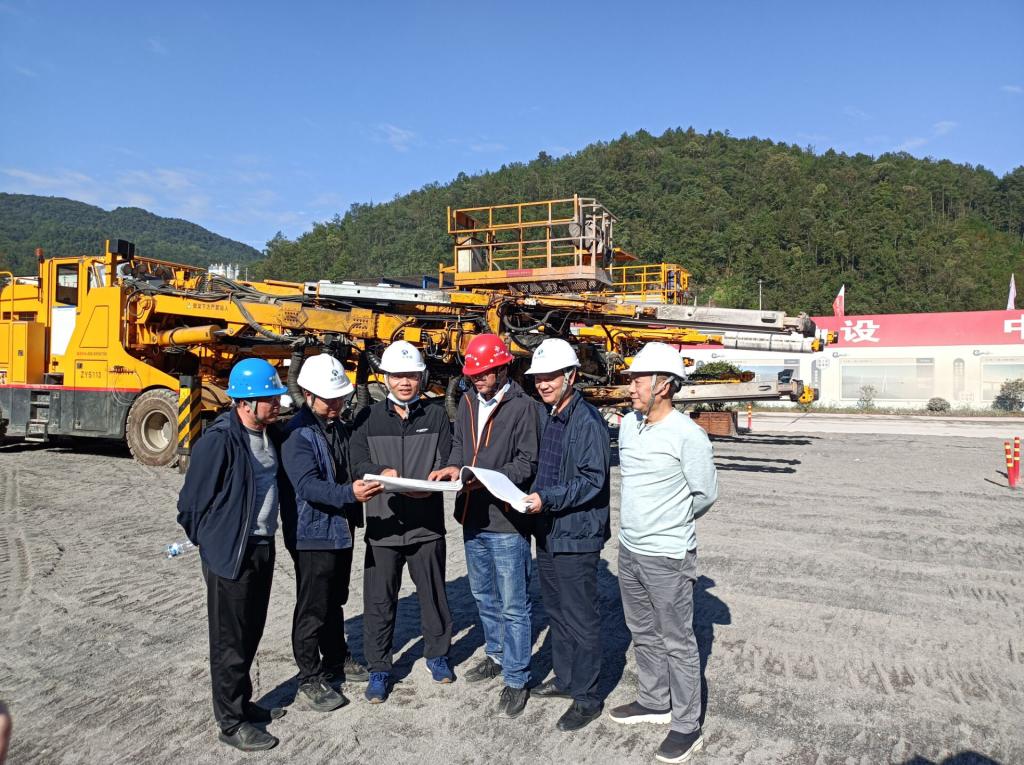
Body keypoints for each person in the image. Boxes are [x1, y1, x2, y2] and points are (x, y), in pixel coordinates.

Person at [608, 342, 718, 764]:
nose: (631, 387)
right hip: (630, 549)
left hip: (668, 556)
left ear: (665, 385)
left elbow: (705, 494)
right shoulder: (629, 426)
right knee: (641, 630)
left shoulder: (688, 435)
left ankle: (687, 726)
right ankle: (654, 701)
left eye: (639, 380)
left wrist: (670, 522)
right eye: (632, 379)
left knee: (678, 640)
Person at [176, 358, 290, 752]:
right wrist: (212, 544)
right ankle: (230, 722)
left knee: (250, 631)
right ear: (245, 403)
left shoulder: (268, 435)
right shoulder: (219, 441)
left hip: (261, 546)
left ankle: (242, 703)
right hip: (231, 554)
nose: (276, 404)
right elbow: (191, 504)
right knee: (229, 640)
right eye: (269, 398)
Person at [428, 333, 539, 719]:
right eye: (473, 373)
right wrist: (453, 467)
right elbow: (460, 447)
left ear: (503, 368)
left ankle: (517, 677)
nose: (477, 378)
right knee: (483, 595)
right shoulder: (468, 402)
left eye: (485, 372)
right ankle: (496, 654)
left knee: (514, 604)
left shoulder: (524, 408)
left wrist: (486, 478)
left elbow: (527, 462)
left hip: (506, 520)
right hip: (472, 515)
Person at [349, 341, 454, 703]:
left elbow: (447, 459)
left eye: (411, 375)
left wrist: (441, 476)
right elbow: (356, 461)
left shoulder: (435, 416)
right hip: (383, 526)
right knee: (379, 602)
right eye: (397, 376)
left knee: (433, 596)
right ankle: (379, 667)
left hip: (427, 525)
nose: (404, 382)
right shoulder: (368, 418)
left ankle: (438, 655)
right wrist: (381, 471)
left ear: (421, 377)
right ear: (386, 378)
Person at [281, 354, 382, 712]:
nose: (337, 404)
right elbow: (307, 486)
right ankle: (309, 676)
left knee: (335, 598)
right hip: (311, 533)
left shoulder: (336, 426)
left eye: (340, 397)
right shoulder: (297, 435)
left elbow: (349, 467)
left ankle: (337, 658)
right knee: (313, 606)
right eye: (329, 399)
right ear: (308, 395)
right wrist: (349, 494)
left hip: (339, 528)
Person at [521, 338, 611, 732]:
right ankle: (566, 678)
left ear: (571, 376)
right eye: (539, 377)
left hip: (576, 534)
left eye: (551, 377)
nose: (543, 383)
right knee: (557, 611)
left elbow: (592, 480)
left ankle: (587, 698)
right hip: (548, 529)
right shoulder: (549, 415)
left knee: (581, 617)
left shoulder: (587, 421)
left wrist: (548, 499)